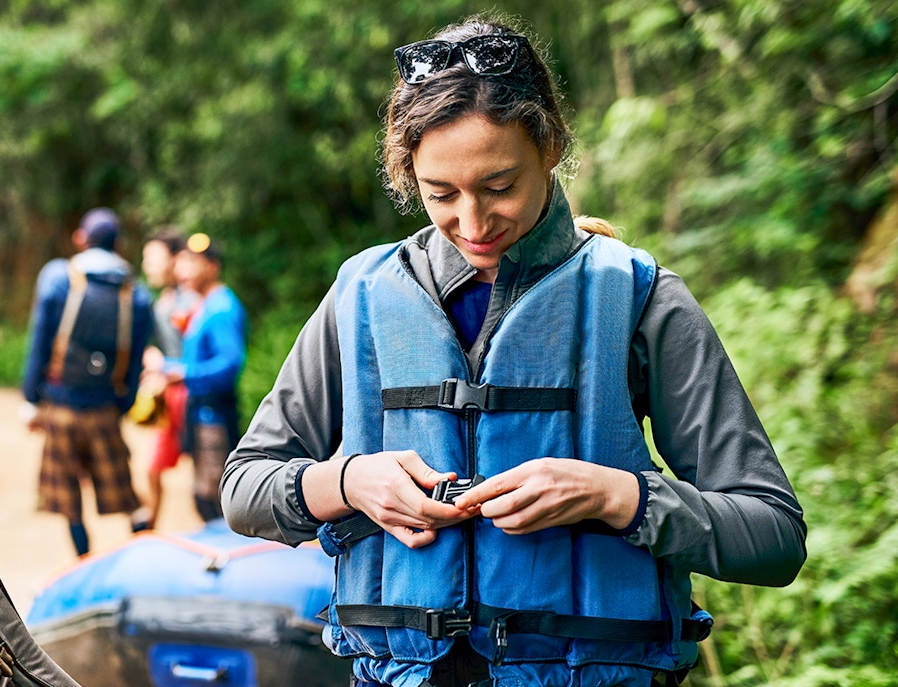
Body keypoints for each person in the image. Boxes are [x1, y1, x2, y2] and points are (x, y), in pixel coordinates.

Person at [221, 13, 807, 687]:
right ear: (409, 174)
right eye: (440, 194)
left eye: (500, 187)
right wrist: (349, 481)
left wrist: (616, 495)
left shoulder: (640, 298)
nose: (473, 223)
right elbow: (244, 487)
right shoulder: (360, 294)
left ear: (550, 145)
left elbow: (774, 536)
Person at [21, 207, 154, 556]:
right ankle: (143, 551)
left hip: (61, 405)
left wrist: (31, 398)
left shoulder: (59, 277)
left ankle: (83, 560)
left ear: (81, 238)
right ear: (120, 244)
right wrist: (121, 405)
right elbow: (135, 355)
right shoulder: (135, 293)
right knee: (124, 490)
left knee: (68, 495)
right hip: (105, 407)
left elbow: (40, 341)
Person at [163, 232, 247, 522]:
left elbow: (230, 364)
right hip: (199, 416)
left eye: (193, 263)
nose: (182, 270)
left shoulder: (221, 308)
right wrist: (164, 366)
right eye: (182, 262)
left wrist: (183, 374)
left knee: (216, 502)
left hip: (215, 419)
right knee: (203, 498)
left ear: (212, 267)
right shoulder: (200, 304)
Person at [134, 228, 200, 529]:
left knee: (201, 475)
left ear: (176, 259)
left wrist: (165, 366)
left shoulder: (191, 301)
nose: (148, 264)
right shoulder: (165, 299)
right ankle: (150, 529)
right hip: (170, 393)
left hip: (189, 394)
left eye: (154, 257)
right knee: (153, 468)